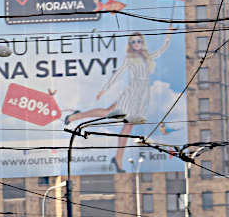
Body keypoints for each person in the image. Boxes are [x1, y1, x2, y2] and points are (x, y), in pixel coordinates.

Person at [64, 27, 175, 172]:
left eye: (138, 41)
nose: (136, 43)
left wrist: (169, 35)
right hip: (133, 90)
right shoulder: (129, 59)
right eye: (133, 41)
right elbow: (118, 74)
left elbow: (161, 50)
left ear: (142, 42)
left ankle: (118, 159)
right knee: (108, 112)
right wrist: (105, 89)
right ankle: (77, 116)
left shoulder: (146, 57)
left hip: (142, 95)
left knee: (128, 127)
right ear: (130, 44)